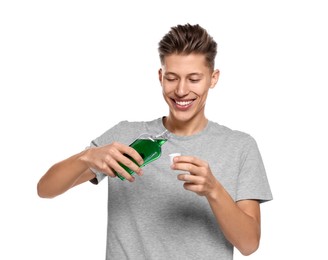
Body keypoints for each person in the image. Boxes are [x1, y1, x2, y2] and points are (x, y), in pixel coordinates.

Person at [37, 23, 273, 260]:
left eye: (193, 79)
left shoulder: (240, 146)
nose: (181, 90)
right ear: (160, 76)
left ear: (213, 78)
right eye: (172, 78)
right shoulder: (125, 136)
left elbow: (249, 244)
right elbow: (45, 189)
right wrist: (85, 158)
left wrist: (214, 190)